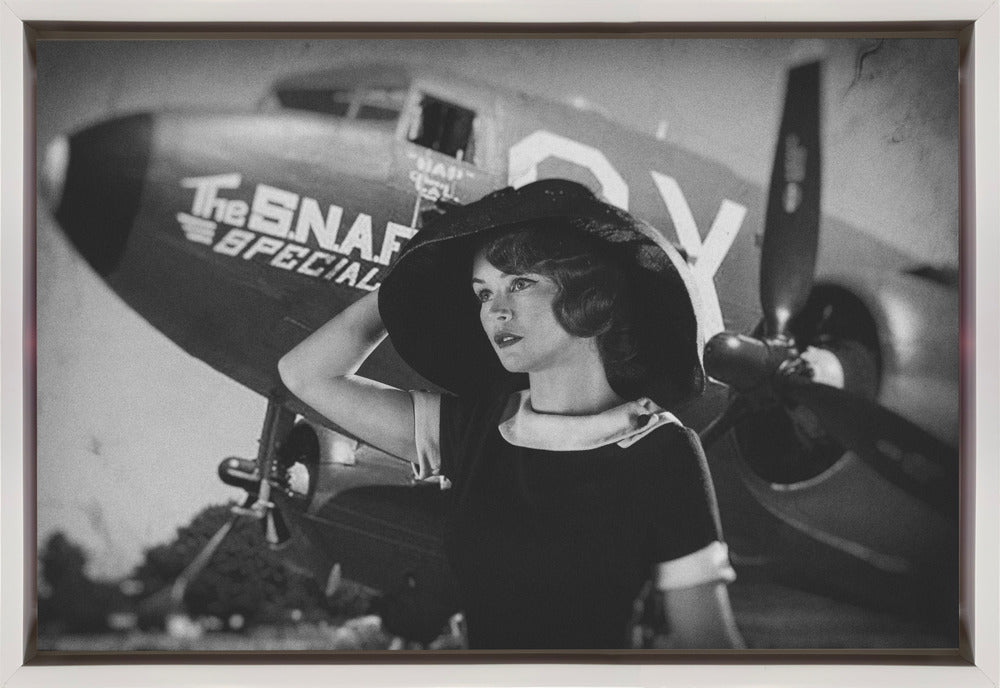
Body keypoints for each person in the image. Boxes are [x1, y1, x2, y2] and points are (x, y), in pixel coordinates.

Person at [278, 179, 744, 650]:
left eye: (520, 283)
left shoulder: (661, 451)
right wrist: (407, 280)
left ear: (591, 294)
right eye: (483, 293)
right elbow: (305, 376)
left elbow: (708, 645)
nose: (495, 311)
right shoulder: (475, 430)